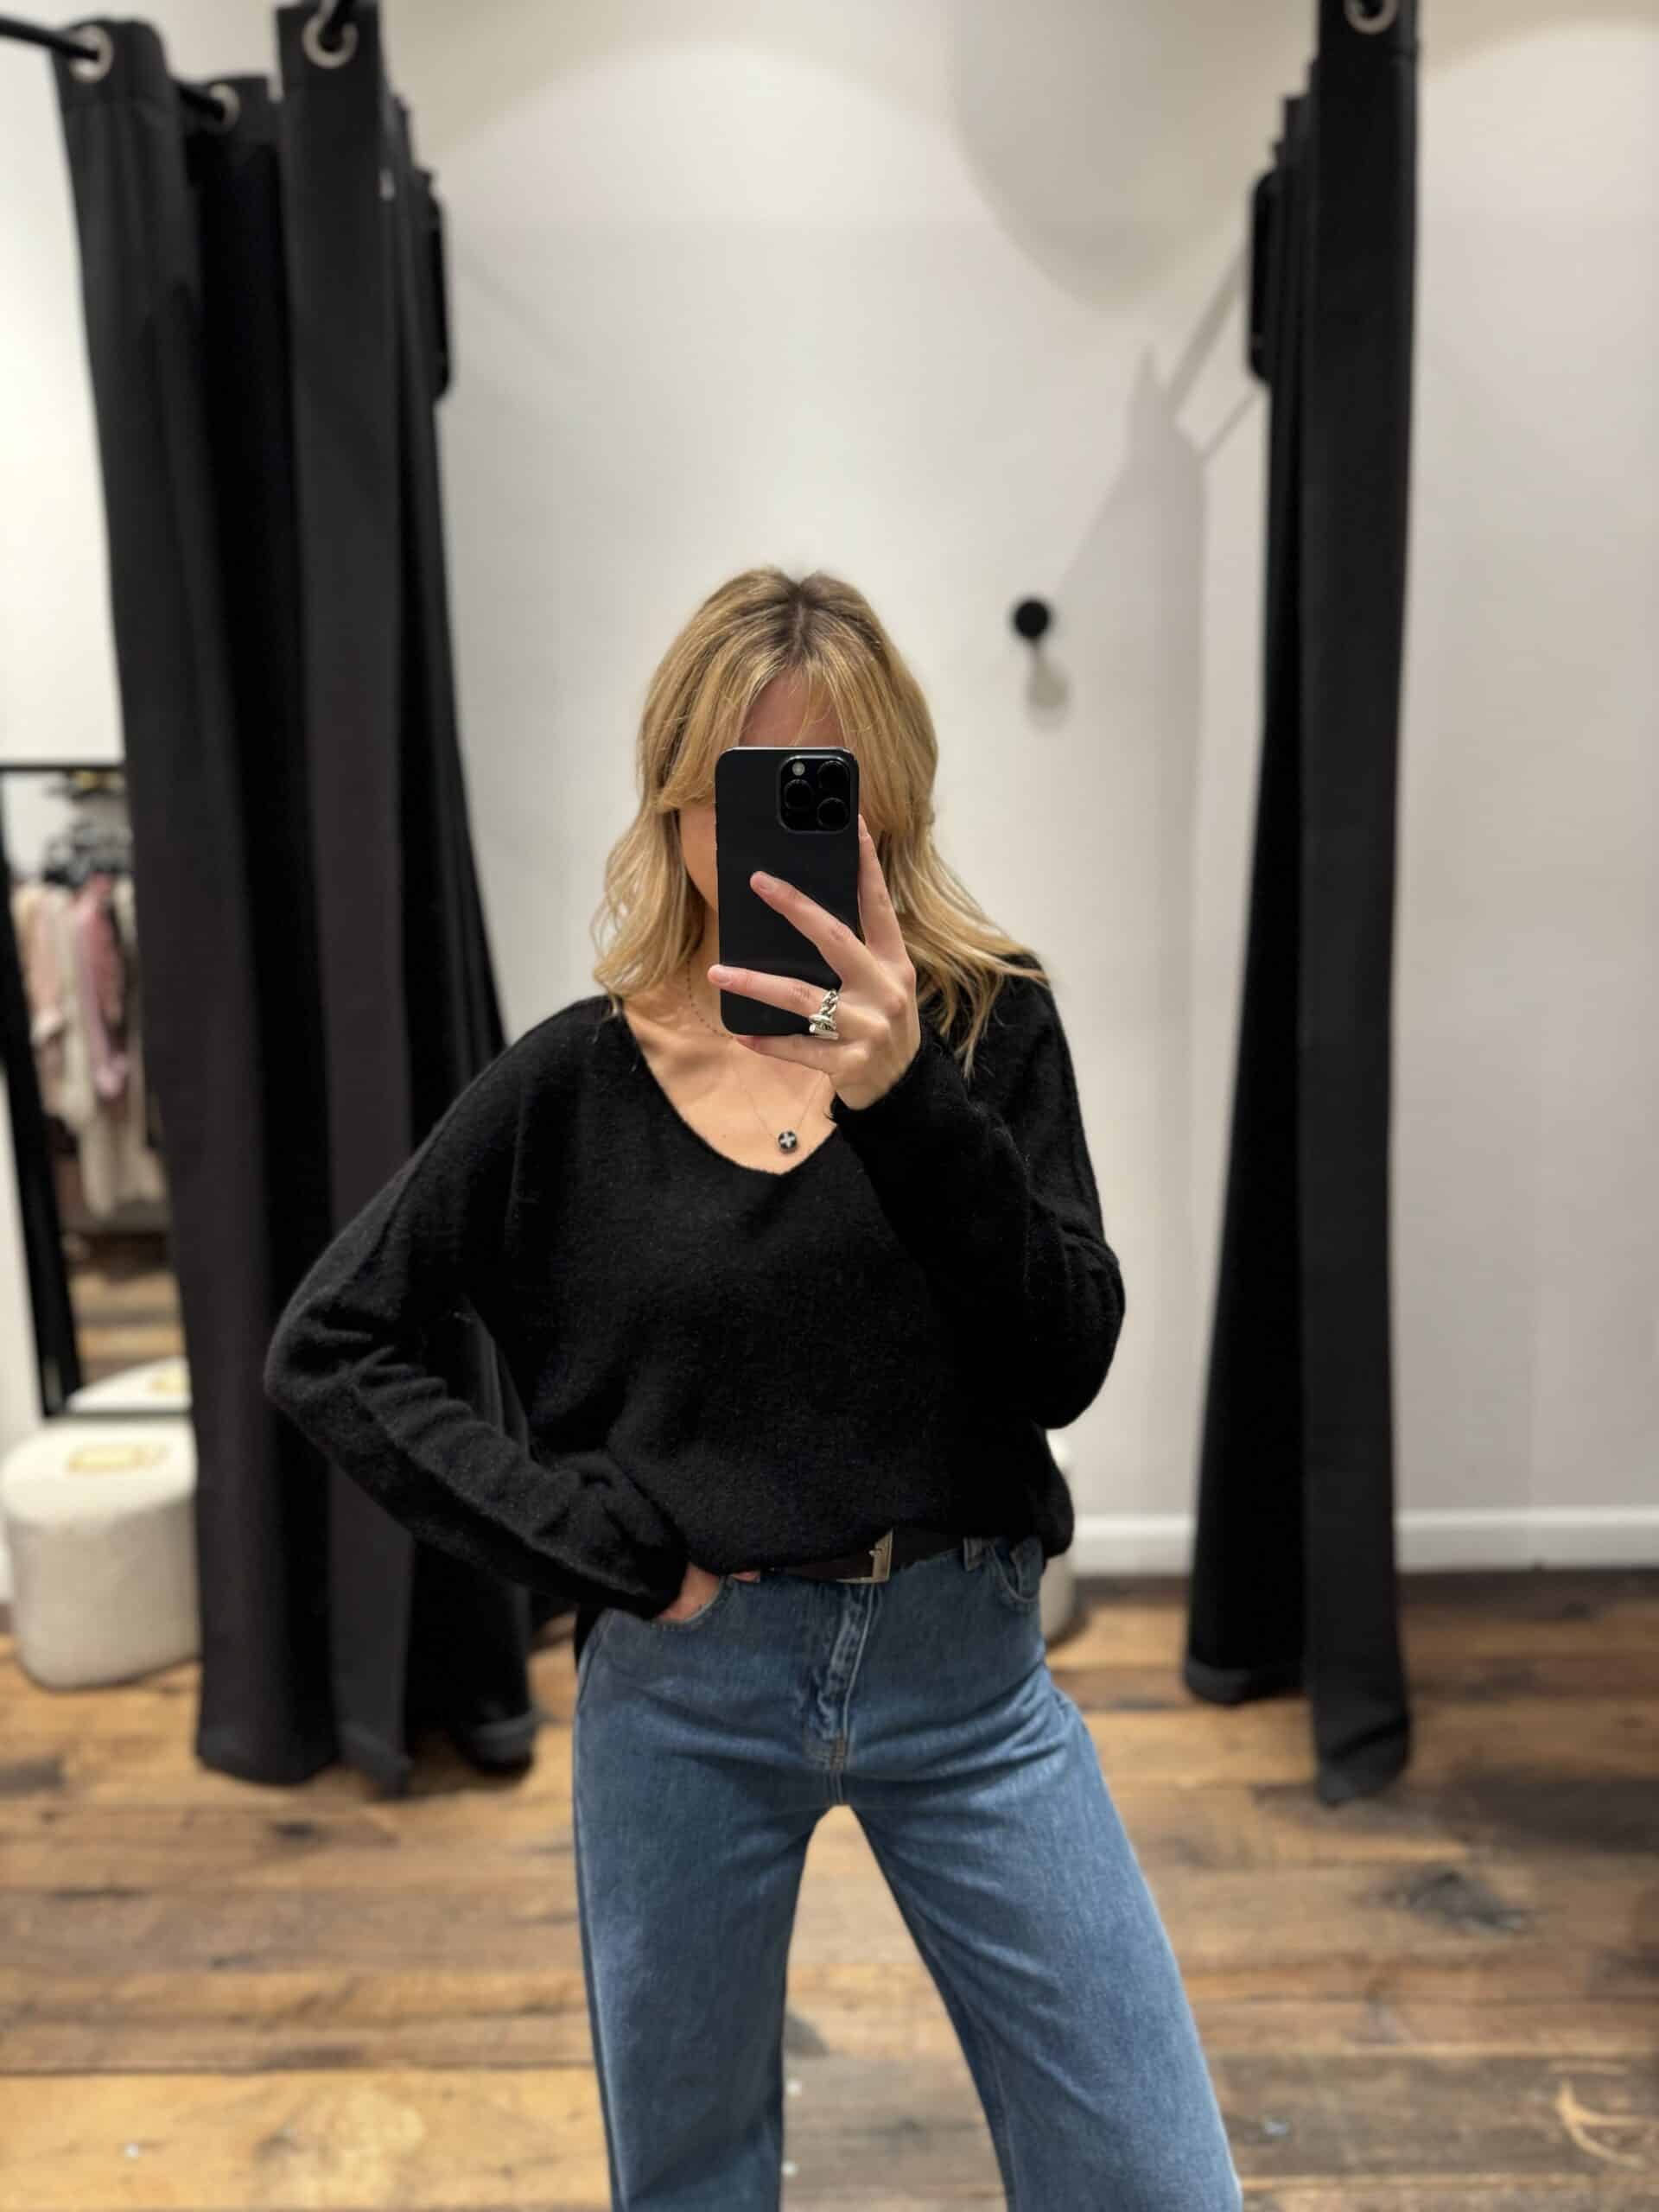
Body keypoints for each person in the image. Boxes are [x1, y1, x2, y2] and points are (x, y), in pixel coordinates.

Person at [264, 567, 1243, 2209]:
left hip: (969, 1685)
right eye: (742, 788)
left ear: (888, 804)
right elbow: (331, 1346)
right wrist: (590, 1545)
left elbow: (1066, 1360)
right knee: (692, 2184)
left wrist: (906, 1098)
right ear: (676, 806)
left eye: (821, 785)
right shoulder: (573, 1085)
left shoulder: (986, 1032)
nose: (777, 837)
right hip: (685, 1698)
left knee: (1154, 2179)